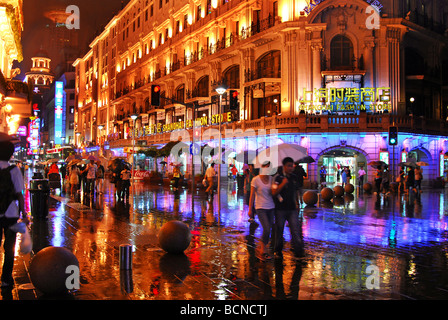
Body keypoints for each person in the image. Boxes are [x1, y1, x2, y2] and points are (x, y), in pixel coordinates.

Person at [0, 135, 28, 287]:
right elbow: (19, 193)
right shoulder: (14, 170)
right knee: (9, 247)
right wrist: (24, 212)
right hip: (11, 213)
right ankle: (5, 279)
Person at [271, 157, 304, 260]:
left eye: (292, 165)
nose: (291, 168)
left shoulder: (294, 177)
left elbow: (297, 190)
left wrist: (299, 201)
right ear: (284, 166)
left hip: (292, 209)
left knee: (295, 229)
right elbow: (274, 193)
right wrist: (282, 184)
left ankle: (298, 252)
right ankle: (278, 250)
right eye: (289, 166)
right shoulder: (278, 178)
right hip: (280, 209)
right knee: (279, 230)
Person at [248, 161, 275, 260]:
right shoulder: (256, 180)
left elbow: (274, 193)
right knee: (267, 228)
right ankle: (263, 249)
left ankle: (263, 246)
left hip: (271, 207)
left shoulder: (272, 179)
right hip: (260, 207)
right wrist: (250, 210)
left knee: (269, 228)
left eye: (269, 167)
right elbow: (251, 196)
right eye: (266, 167)